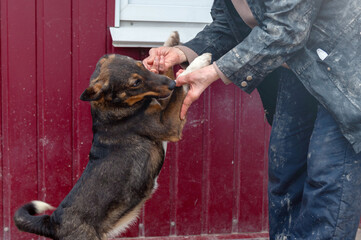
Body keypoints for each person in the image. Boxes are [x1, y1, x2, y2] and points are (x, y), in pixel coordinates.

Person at [143, 0, 361, 239]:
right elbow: (229, 24)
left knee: (327, 178)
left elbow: (287, 30)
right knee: (286, 173)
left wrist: (215, 71)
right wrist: (183, 51)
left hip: (347, 67)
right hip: (299, 70)